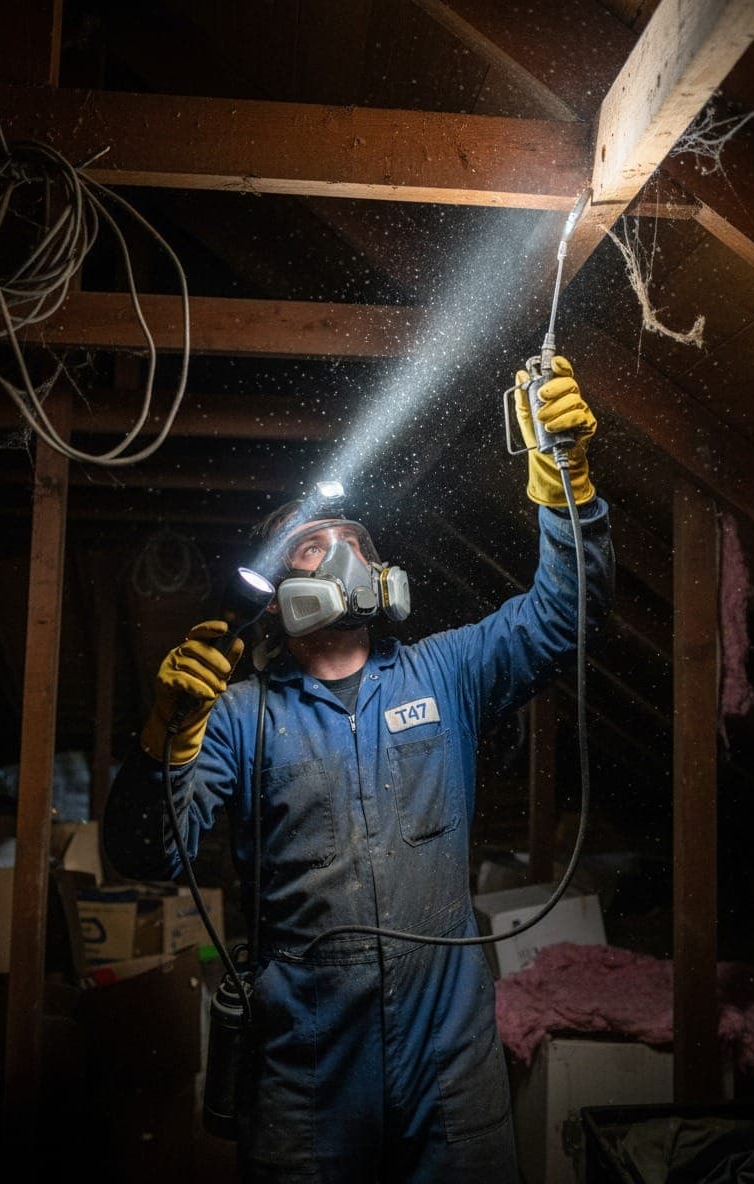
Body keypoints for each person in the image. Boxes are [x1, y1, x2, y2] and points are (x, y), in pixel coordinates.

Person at [103, 356, 614, 1183]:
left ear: (381, 580)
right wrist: (167, 733)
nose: (337, 555)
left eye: (353, 544)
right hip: (305, 1067)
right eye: (311, 547)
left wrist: (568, 482)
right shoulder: (237, 713)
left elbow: (566, 618)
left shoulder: (446, 670)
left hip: (449, 1053)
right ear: (282, 599)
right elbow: (144, 854)